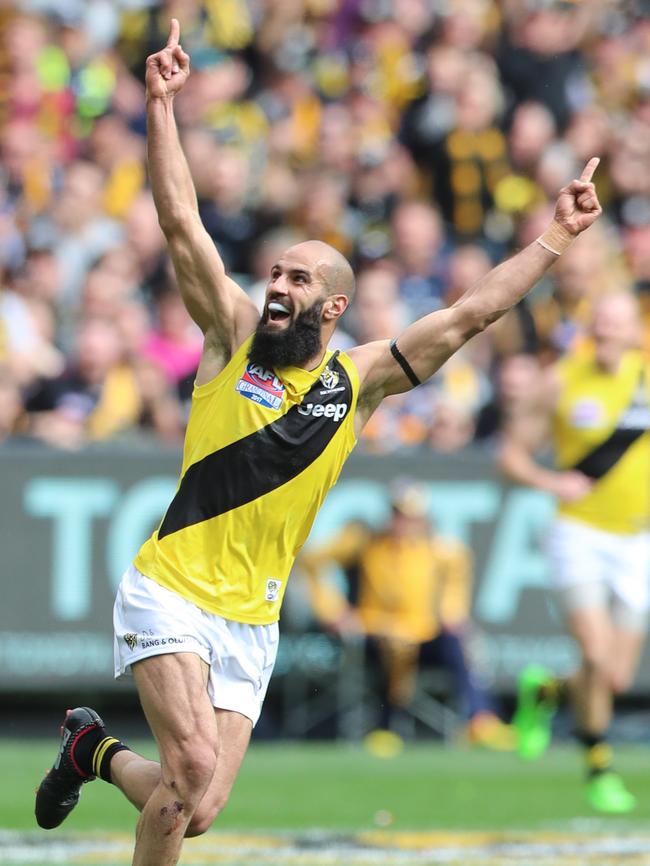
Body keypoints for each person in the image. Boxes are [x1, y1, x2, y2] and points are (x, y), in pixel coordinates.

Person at [34, 19, 602, 866]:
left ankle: (93, 753)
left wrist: (553, 238)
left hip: (252, 616)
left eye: (298, 279)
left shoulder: (360, 380)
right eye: (275, 272)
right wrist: (161, 106)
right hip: (170, 589)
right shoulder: (229, 335)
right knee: (189, 767)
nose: (276, 287)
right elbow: (181, 220)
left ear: (332, 307)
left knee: (198, 810)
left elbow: (469, 314)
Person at [500, 291, 650, 814]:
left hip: (637, 540)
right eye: (601, 322)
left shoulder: (645, 377)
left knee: (614, 676)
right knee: (593, 651)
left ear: (635, 331)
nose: (607, 332)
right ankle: (599, 768)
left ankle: (544, 692)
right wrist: (550, 481)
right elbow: (512, 455)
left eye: (618, 323)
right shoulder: (561, 380)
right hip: (579, 533)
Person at [300, 480, 514, 750]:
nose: (403, 523)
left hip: (422, 634)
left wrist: (452, 614)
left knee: (458, 644)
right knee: (393, 647)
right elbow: (311, 560)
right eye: (398, 515)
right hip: (375, 634)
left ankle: (481, 719)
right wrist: (333, 610)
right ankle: (386, 726)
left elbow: (456, 589)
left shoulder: (440, 551)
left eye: (410, 517)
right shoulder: (366, 543)